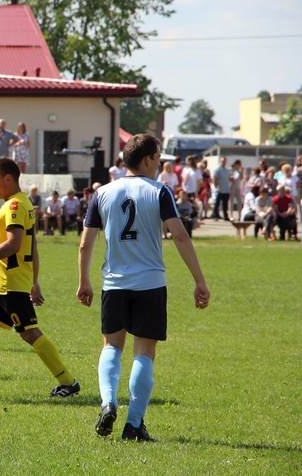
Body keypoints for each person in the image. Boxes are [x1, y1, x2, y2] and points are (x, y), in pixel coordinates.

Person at [77, 133, 210, 442]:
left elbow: (86, 243)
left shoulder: (103, 193)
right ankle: (134, 424)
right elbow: (179, 236)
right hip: (149, 283)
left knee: (111, 346)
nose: (160, 162)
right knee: (145, 352)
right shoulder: (160, 191)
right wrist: (199, 281)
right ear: (148, 159)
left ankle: (108, 401)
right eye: (159, 156)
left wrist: (84, 280)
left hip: (114, 283)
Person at [0, 157, 79, 398]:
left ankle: (68, 381)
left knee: (29, 332)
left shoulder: (15, 206)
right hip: (0, 283)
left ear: (9, 179)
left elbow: (14, 244)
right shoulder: (19, 203)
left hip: (11, 283)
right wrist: (35, 281)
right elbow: (33, 245)